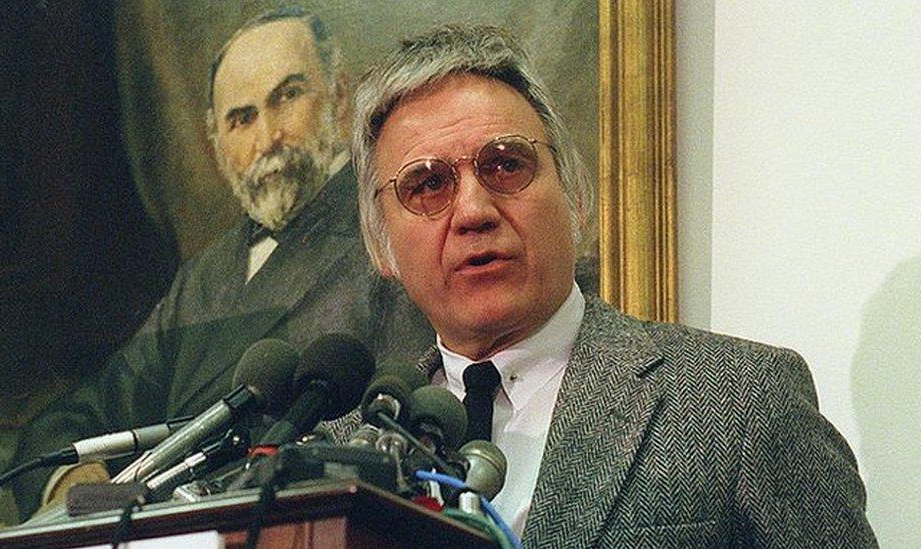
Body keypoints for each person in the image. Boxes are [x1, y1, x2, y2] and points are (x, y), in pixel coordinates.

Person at [349, 25, 876, 547]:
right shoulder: (336, 453)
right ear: (382, 247)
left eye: (507, 164)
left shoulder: (743, 400)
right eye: (429, 184)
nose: (473, 211)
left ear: (576, 195)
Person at [9, 7, 431, 520]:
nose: (268, 136)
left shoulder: (390, 229)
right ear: (218, 146)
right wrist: (75, 479)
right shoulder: (204, 277)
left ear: (340, 100)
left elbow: (403, 423)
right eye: (242, 118)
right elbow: (89, 412)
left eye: (288, 97)